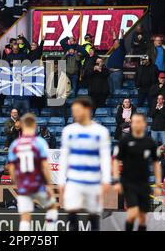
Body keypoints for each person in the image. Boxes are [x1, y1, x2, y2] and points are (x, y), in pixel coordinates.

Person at [58, 97, 111, 231]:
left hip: (94, 181)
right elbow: (64, 157)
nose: (74, 113)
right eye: (73, 110)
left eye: (77, 110)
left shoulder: (101, 131)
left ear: (88, 110)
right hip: (74, 180)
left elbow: (105, 157)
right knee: (71, 212)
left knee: (93, 216)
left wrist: (106, 180)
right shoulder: (68, 131)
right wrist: (61, 181)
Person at [8, 113, 58, 231]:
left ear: (22, 126)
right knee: (52, 207)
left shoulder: (15, 145)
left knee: (25, 217)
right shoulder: (40, 142)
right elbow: (45, 166)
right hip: (38, 184)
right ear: (34, 125)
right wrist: (49, 184)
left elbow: (11, 168)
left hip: (24, 186)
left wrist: (18, 183)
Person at [113, 113, 162, 231]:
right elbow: (116, 161)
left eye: (139, 121)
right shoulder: (125, 141)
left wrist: (158, 184)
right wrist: (116, 180)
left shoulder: (150, 142)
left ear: (145, 124)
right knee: (132, 213)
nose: (136, 124)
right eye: (134, 122)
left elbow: (156, 164)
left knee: (142, 218)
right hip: (128, 183)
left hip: (144, 184)